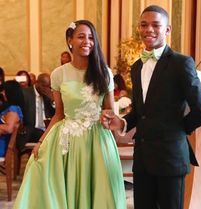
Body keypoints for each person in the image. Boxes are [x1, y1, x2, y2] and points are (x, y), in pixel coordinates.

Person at [101, 5, 201, 209]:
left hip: (170, 157)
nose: (148, 29)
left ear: (167, 30)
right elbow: (141, 111)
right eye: (144, 25)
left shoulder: (181, 63)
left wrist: (175, 130)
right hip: (142, 159)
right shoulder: (136, 67)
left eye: (155, 25)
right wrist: (122, 121)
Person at [13, 20, 126, 209]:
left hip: (97, 139)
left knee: (100, 191)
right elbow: (59, 114)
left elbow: (110, 112)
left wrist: (113, 130)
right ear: (70, 40)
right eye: (81, 36)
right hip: (68, 141)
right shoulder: (59, 74)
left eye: (91, 37)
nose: (86, 41)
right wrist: (41, 142)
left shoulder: (103, 72)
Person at [16, 73, 55, 150]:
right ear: (37, 83)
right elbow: (19, 113)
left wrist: (52, 100)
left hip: (46, 128)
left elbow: (55, 114)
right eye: (44, 86)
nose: (46, 89)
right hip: (30, 129)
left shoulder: (49, 95)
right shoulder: (25, 93)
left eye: (49, 87)